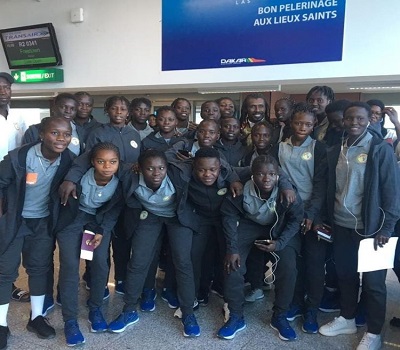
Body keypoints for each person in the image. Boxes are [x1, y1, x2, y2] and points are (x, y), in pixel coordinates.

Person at [318, 102, 400, 350]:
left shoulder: (379, 149)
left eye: (360, 119)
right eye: (350, 118)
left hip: (373, 230)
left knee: (374, 284)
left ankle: (374, 332)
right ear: (343, 120)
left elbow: (391, 192)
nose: (354, 122)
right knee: (346, 276)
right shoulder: (336, 149)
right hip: (342, 226)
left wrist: (387, 228)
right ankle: (348, 318)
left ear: (369, 121)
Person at [0, 117, 75, 349]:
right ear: (41, 134)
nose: (61, 139)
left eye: (66, 134)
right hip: (15, 221)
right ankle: (1, 324)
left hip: (42, 223)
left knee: (39, 269)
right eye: (55, 133)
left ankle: (36, 318)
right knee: (5, 271)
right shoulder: (19, 157)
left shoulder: (70, 161)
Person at [108, 150, 199, 337]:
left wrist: (235, 180)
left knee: (183, 262)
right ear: (138, 168)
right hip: (149, 215)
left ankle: (188, 313)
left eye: (161, 168)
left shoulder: (180, 172)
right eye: (149, 168)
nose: (156, 173)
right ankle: (129, 310)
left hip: (177, 217)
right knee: (138, 262)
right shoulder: (128, 174)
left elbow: (214, 163)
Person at [217, 155, 303, 341]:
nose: (266, 179)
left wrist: (280, 243)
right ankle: (236, 316)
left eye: (272, 174)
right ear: (252, 175)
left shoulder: (287, 192)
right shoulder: (239, 190)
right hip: (249, 224)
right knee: (232, 265)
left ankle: (279, 315)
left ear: (278, 175)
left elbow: (296, 219)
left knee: (288, 268)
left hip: (278, 229)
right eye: (261, 174)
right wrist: (232, 249)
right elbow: (228, 217)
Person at [56, 142, 123, 346]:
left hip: (98, 223)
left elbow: (113, 210)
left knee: (99, 263)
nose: (107, 166)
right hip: (73, 221)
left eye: (112, 162)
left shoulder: (120, 183)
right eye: (101, 161)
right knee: (70, 265)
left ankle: (95, 308)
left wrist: (101, 230)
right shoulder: (78, 178)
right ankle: (70, 320)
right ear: (92, 162)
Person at [276, 103, 328, 334]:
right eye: (298, 122)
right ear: (291, 122)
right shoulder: (280, 147)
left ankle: (311, 310)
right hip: (288, 215)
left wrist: (311, 214)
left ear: (314, 124)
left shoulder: (319, 148)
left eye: (308, 124)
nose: (302, 127)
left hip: (313, 216)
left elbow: (320, 185)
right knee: (293, 263)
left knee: (314, 265)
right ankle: (295, 303)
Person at [0, 72, 35, 304]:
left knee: (9, 234)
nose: (4, 91)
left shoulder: (18, 117)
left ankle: (8, 283)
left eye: (7, 87)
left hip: (14, 185)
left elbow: (25, 151)